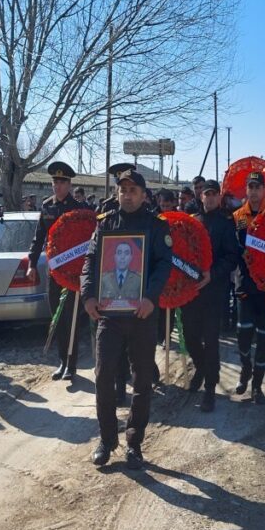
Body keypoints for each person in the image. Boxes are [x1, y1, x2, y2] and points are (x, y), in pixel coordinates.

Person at [81, 165, 172, 469]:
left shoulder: (156, 225)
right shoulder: (105, 223)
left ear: (144, 195)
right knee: (104, 375)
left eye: (133, 190)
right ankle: (107, 440)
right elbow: (91, 261)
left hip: (142, 315)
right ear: (117, 192)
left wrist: (150, 298)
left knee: (142, 380)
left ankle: (134, 443)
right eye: (123, 189)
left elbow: (163, 265)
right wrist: (88, 295)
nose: (128, 195)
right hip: (109, 315)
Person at [180, 179, 241, 412]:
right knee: (190, 337)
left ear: (219, 197)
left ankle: (210, 389)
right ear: (201, 197)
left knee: (211, 340)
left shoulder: (226, 222)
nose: (211, 198)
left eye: (215, 194)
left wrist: (211, 275)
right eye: (207, 194)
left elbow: (231, 257)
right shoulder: (193, 221)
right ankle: (201, 367)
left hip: (214, 291)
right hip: (191, 291)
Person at [27, 162, 89, 382]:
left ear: (69, 184)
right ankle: (62, 360)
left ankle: (71, 364)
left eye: (62, 182)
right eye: (54, 182)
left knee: (71, 318)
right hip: (55, 272)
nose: (57, 186)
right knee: (57, 318)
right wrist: (31, 264)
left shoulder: (80, 209)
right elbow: (38, 238)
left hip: (73, 273)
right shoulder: (47, 207)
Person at [232, 171, 265, 404]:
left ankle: (257, 385)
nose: (255, 190)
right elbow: (234, 248)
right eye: (251, 187)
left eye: (258, 187)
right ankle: (245, 368)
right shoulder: (238, 216)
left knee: (264, 336)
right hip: (245, 285)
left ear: (264, 190)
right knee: (243, 333)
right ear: (246, 190)